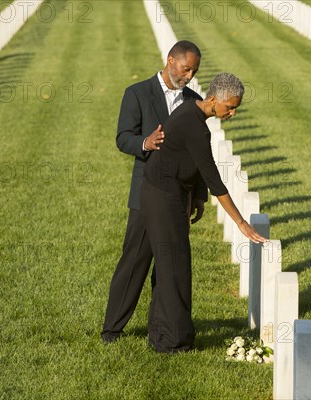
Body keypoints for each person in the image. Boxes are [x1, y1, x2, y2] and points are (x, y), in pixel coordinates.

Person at [141, 72, 267, 353]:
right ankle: (174, 341)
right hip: (163, 197)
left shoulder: (192, 112)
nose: (232, 113)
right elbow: (212, 178)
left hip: (167, 193)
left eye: (236, 108)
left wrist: (195, 198)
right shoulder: (195, 126)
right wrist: (240, 223)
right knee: (175, 267)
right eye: (229, 107)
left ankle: (161, 336)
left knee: (169, 265)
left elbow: (188, 163)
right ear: (213, 99)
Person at [101, 41, 207, 343]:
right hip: (145, 193)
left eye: (193, 71)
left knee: (169, 265)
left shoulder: (194, 101)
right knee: (134, 261)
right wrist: (145, 143)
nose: (188, 76)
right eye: (185, 68)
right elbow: (123, 138)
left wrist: (199, 195)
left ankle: (162, 329)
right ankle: (112, 329)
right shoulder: (137, 93)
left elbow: (199, 153)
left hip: (178, 198)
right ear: (170, 60)